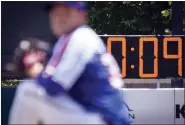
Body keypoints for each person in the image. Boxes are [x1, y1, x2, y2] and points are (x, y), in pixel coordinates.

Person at [36, 1, 132, 125]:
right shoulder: (69, 38)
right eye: (55, 13)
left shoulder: (80, 38)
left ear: (83, 15)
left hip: (102, 119)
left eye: (66, 12)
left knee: (27, 91)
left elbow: (54, 87)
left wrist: (34, 69)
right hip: (95, 114)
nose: (59, 18)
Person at [9, 38, 105, 124]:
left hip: (91, 115)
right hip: (93, 114)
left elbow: (55, 87)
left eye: (34, 53)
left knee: (26, 90)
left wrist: (36, 69)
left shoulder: (66, 58)